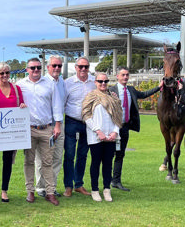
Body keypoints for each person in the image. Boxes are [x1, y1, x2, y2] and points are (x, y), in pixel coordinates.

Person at [17, 58, 63, 206]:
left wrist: (57, 125)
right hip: (29, 129)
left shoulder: (50, 84)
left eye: (38, 67)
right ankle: (30, 191)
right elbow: (10, 99)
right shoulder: (20, 85)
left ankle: (50, 192)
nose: (36, 70)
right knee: (29, 161)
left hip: (46, 128)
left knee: (48, 162)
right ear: (27, 69)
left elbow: (57, 105)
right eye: (32, 68)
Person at [108, 67, 161, 191]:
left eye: (127, 75)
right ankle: (107, 180)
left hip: (125, 127)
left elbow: (144, 94)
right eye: (123, 75)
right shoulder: (111, 90)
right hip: (111, 128)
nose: (125, 77)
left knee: (120, 155)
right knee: (109, 154)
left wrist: (159, 87)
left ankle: (116, 181)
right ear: (117, 76)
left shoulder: (131, 90)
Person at [0, 62, 26, 202]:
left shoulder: (16, 88)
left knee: (7, 161)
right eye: (1, 73)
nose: (5, 75)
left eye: (7, 72)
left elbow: (21, 104)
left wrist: (23, 106)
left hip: (10, 133)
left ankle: (4, 190)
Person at [81, 73, 122, 202]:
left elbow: (118, 116)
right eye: (100, 81)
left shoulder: (113, 98)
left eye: (105, 81)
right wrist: (98, 131)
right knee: (95, 163)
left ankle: (106, 189)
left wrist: (115, 132)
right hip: (96, 137)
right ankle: (94, 190)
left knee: (108, 164)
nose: (103, 83)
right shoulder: (91, 97)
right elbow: (86, 115)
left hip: (110, 136)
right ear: (95, 82)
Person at [63, 57, 96, 197]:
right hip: (72, 121)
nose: (83, 69)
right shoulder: (67, 83)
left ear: (89, 68)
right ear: (76, 67)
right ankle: (68, 186)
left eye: (86, 67)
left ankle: (79, 184)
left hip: (88, 123)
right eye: (80, 67)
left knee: (83, 155)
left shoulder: (94, 82)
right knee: (70, 155)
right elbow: (62, 102)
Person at [35, 55, 66, 198]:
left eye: (59, 66)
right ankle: (40, 187)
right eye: (54, 65)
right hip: (45, 126)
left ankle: (51, 187)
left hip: (59, 125)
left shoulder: (62, 83)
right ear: (48, 67)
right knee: (42, 159)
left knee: (57, 157)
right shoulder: (41, 82)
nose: (57, 68)